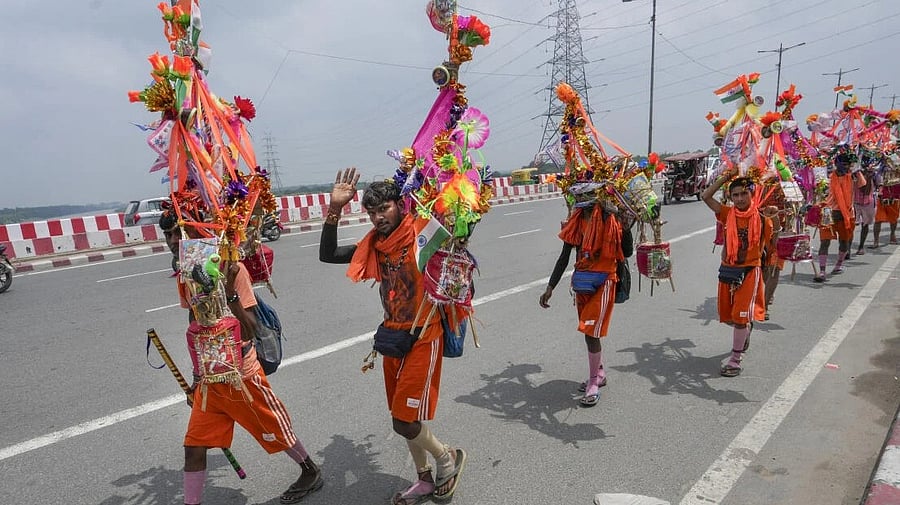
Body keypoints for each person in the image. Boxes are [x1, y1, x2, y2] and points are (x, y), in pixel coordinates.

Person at [318, 167, 466, 505]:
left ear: (400, 204)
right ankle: (424, 479)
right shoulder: (375, 245)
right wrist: (335, 208)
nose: (377, 217)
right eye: (371, 212)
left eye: (383, 208)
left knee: (403, 420)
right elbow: (328, 255)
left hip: (424, 335)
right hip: (393, 339)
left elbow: (457, 235)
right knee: (404, 416)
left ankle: (447, 459)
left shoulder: (423, 235)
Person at [160, 212, 322, 505]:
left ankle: (310, 471)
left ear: (198, 233)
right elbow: (194, 320)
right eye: (169, 235)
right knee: (193, 447)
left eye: (178, 233)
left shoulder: (232, 269)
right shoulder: (187, 274)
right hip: (210, 381)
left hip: (242, 373)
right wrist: (197, 375)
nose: (173, 240)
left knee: (275, 430)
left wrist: (231, 292)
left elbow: (250, 327)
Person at [538, 191, 634, 407]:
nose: (585, 196)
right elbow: (564, 256)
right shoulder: (578, 220)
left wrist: (624, 224)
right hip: (582, 282)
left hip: (606, 280)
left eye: (590, 192)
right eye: (581, 192)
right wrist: (550, 287)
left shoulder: (612, 218)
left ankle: (593, 384)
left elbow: (626, 251)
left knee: (591, 331)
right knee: (587, 330)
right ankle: (599, 373)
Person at [701, 171, 774, 377]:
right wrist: (725, 178)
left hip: (750, 271)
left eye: (744, 194)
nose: (740, 199)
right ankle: (745, 331)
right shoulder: (726, 214)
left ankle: (735, 359)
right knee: (732, 317)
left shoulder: (762, 218)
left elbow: (772, 247)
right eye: (735, 195)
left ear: (752, 194)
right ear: (731, 197)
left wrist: (776, 218)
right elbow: (705, 196)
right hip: (728, 270)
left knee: (740, 317)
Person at [853, 164, 880, 255]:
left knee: (865, 225)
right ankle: (846, 249)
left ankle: (861, 246)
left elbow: (878, 184)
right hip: (854, 202)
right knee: (850, 225)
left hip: (868, 202)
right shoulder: (853, 172)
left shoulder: (873, 173)